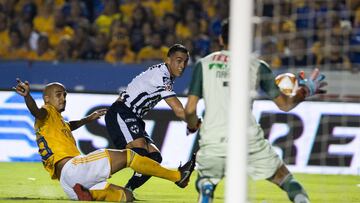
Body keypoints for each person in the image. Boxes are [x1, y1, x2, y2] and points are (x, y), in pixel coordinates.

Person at [184, 19, 327, 203]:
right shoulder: (258, 66)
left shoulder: (204, 64)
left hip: (213, 137)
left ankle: (207, 187)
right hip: (247, 138)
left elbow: (190, 109)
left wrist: (192, 123)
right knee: (284, 178)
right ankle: (301, 200)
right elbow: (285, 105)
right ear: (245, 40)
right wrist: (305, 90)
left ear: (221, 39)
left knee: (206, 179)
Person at [13, 79, 196, 202]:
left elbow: (69, 126)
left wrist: (88, 119)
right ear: (47, 98)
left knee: (126, 197)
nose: (63, 98)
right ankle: (178, 177)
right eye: (59, 94)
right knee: (129, 156)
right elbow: (35, 111)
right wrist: (28, 97)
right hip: (74, 168)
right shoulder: (45, 112)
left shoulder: (54, 122)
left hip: (68, 184)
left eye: (65, 95)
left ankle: (90, 193)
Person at [105, 43, 191, 192]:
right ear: (168, 60)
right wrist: (195, 123)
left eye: (185, 61)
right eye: (178, 60)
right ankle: (91, 175)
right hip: (122, 112)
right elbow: (178, 109)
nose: (182, 65)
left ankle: (128, 190)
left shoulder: (165, 75)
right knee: (140, 154)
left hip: (133, 116)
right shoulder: (162, 76)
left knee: (154, 158)